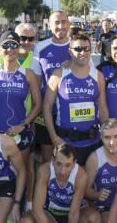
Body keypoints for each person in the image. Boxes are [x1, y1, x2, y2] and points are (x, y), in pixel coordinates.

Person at [0, 31, 42, 223]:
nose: (10, 50)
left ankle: (19, 213)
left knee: (20, 171)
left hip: (18, 133)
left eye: (14, 45)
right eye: (6, 46)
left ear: (19, 48)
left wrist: (23, 124)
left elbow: (38, 105)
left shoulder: (28, 74)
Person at [19, 143, 99, 223]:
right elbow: (37, 209)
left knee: (94, 221)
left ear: (74, 163)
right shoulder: (44, 170)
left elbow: (73, 214)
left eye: (68, 165)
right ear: (52, 160)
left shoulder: (81, 176)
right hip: (51, 215)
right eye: (58, 164)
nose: (62, 171)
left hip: (74, 214)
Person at [43, 31, 109, 168]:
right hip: (66, 143)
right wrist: (54, 137)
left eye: (86, 49)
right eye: (78, 49)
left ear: (90, 51)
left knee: (89, 183)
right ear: (70, 51)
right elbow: (47, 108)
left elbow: (102, 108)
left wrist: (106, 135)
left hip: (93, 142)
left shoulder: (98, 76)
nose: (82, 52)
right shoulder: (58, 74)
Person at [33, 11, 72, 162]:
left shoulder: (77, 47)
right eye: (56, 22)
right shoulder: (41, 48)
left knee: (68, 159)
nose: (60, 26)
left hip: (69, 113)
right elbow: (36, 81)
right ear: (49, 25)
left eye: (64, 21)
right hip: (46, 112)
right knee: (48, 159)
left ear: (68, 24)